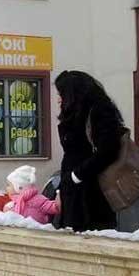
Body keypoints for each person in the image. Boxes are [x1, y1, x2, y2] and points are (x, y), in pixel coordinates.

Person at [55, 70, 125, 232]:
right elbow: (70, 155)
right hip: (73, 191)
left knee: (92, 238)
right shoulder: (73, 115)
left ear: (73, 94)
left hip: (92, 193)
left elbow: (108, 151)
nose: (59, 99)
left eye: (62, 93)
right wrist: (63, 187)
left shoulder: (99, 112)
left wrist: (76, 176)